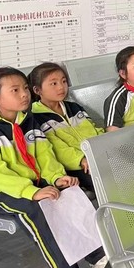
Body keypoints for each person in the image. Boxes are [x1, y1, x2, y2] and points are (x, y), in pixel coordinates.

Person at [0, 67, 107, 268]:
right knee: (35, 209)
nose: (24, 94)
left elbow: (45, 155)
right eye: (15, 90)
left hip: (32, 183)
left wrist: (57, 178)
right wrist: (32, 192)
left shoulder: (27, 121)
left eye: (24, 88)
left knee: (69, 193)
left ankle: (97, 258)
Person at [29, 62, 104, 191]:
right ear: (37, 90)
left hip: (97, 156)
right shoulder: (36, 118)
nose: (61, 87)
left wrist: (106, 146)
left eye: (63, 81)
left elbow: (94, 129)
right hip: (76, 166)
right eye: (54, 83)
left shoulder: (74, 107)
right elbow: (58, 149)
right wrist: (81, 159)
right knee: (106, 181)